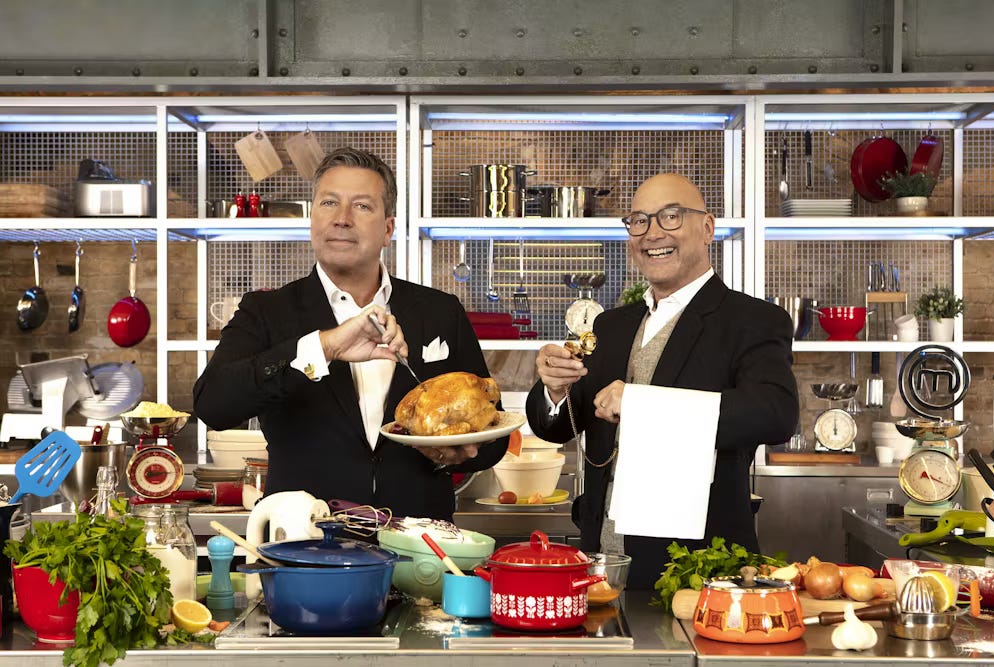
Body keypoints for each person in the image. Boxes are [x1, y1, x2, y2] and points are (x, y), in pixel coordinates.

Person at [193, 147, 508, 521]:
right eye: (329, 203)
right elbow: (213, 405)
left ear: (388, 229)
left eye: (362, 206)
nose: (341, 219)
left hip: (420, 542)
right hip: (306, 540)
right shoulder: (266, 311)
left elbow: (494, 432)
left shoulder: (440, 311)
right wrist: (323, 347)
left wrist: (452, 453)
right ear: (312, 218)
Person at [526, 173, 798, 589]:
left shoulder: (752, 320)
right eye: (639, 221)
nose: (652, 233)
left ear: (707, 228)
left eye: (670, 217)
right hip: (600, 564)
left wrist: (640, 404)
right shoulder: (611, 326)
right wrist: (554, 389)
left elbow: (775, 414)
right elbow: (559, 426)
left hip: (697, 571)